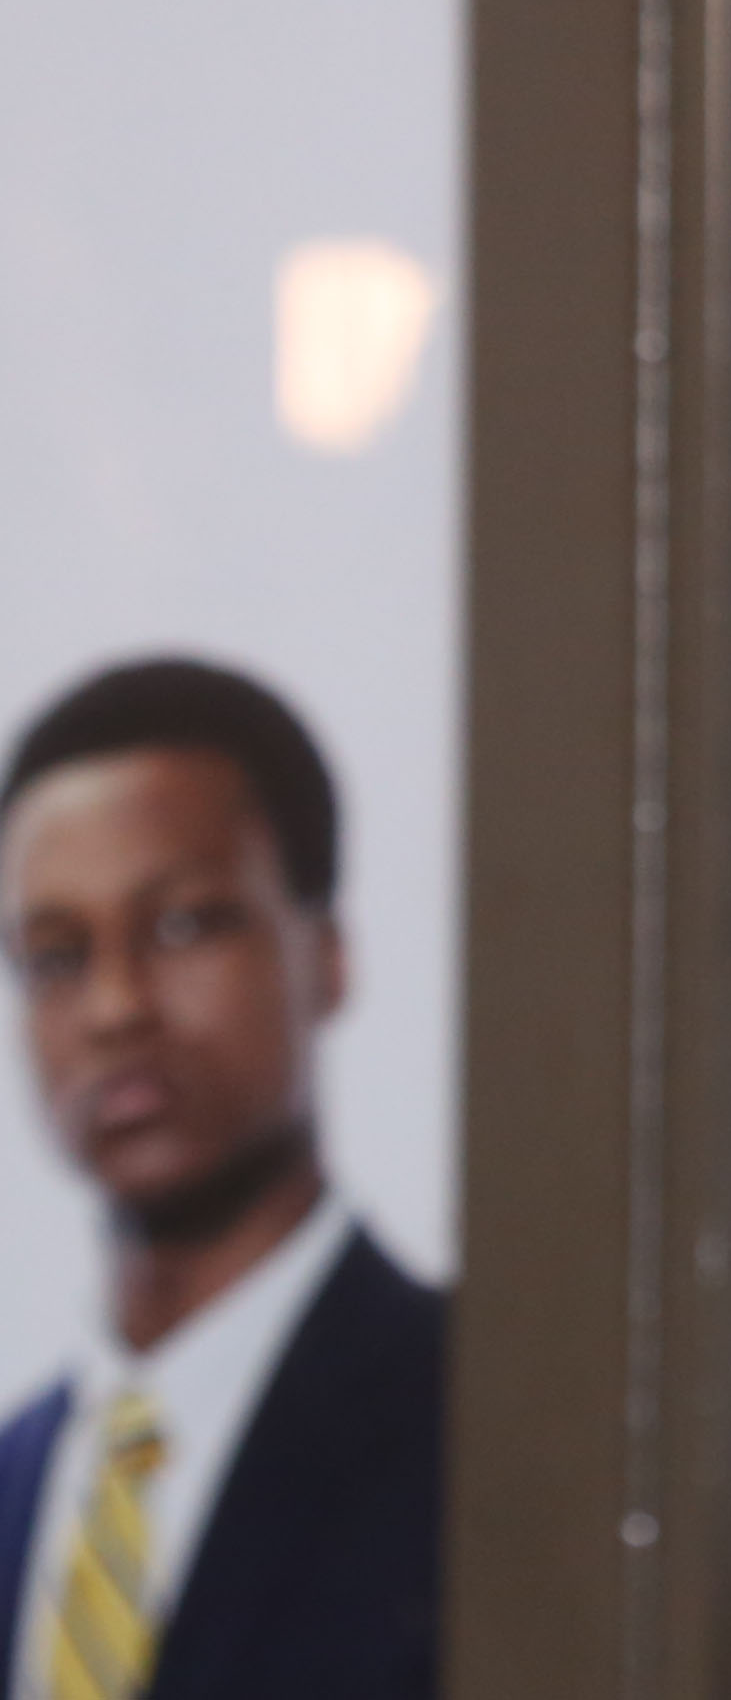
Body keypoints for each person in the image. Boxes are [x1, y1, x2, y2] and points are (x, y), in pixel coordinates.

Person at [1, 660, 436, 1700]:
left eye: (186, 923)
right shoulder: (14, 1484)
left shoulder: (482, 1432)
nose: (114, 1008)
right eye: (57, 956)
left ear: (326, 955)